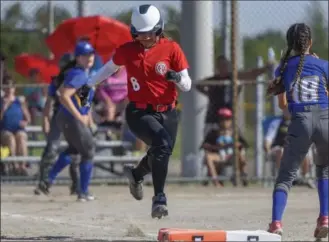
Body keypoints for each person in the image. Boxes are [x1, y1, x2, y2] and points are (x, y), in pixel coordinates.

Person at [87, 4, 191, 218]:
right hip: (139, 113)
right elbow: (108, 69)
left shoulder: (172, 49)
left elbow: (187, 84)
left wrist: (177, 78)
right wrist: (88, 84)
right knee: (161, 144)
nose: (144, 38)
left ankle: (136, 174)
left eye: (149, 33)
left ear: (159, 29)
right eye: (139, 34)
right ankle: (159, 198)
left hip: (168, 112)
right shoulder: (127, 50)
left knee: (162, 152)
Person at [266, 23, 328, 239]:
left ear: (290, 44)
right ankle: (325, 218)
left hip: (300, 122)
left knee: (285, 177)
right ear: (310, 43)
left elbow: (283, 105)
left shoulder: (284, 68)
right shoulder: (323, 65)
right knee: (325, 171)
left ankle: (276, 224)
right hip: (325, 120)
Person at [38, 41, 97, 202]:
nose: (89, 57)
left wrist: (89, 119)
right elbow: (64, 95)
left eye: (91, 54)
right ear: (78, 58)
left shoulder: (82, 73)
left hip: (67, 118)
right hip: (71, 118)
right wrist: (80, 117)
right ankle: (83, 192)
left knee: (74, 150)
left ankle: (48, 179)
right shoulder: (79, 73)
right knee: (89, 151)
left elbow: (84, 100)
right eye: (85, 55)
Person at [34, 59, 80, 196]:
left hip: (74, 117)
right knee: (51, 150)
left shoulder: (79, 79)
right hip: (59, 117)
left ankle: (77, 185)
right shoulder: (57, 81)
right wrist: (45, 120)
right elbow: (49, 103)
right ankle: (44, 183)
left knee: (76, 151)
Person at [196, 55, 274, 134]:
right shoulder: (213, 80)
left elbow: (251, 74)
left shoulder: (234, 78)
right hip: (213, 120)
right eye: (220, 66)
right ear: (217, 67)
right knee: (210, 142)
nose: (223, 68)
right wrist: (209, 94)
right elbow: (198, 85)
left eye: (224, 65)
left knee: (231, 143)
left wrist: (265, 68)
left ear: (229, 66)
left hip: (229, 121)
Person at [264, 108, 315, 189]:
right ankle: (283, 177)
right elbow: (269, 138)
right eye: (287, 109)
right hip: (280, 146)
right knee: (280, 151)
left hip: (295, 148)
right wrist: (267, 148)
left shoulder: (299, 123)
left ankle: (305, 177)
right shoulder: (277, 122)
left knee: (305, 151)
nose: (289, 112)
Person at [201, 108, 249, 187]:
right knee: (208, 157)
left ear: (231, 120)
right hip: (219, 156)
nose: (224, 122)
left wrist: (237, 144)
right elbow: (204, 145)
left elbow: (244, 144)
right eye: (222, 119)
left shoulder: (235, 131)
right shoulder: (214, 132)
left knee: (240, 154)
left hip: (232, 156)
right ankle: (216, 182)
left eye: (227, 119)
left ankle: (243, 179)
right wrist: (216, 147)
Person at [0, 76, 31, 176]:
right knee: (10, 138)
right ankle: (14, 165)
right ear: (3, 88)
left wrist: (25, 122)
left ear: (14, 88)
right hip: (5, 129)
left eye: (11, 87)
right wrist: (4, 108)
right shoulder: (1, 101)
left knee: (21, 137)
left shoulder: (19, 101)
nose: (9, 89)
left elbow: (28, 118)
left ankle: (22, 166)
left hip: (18, 128)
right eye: (7, 87)